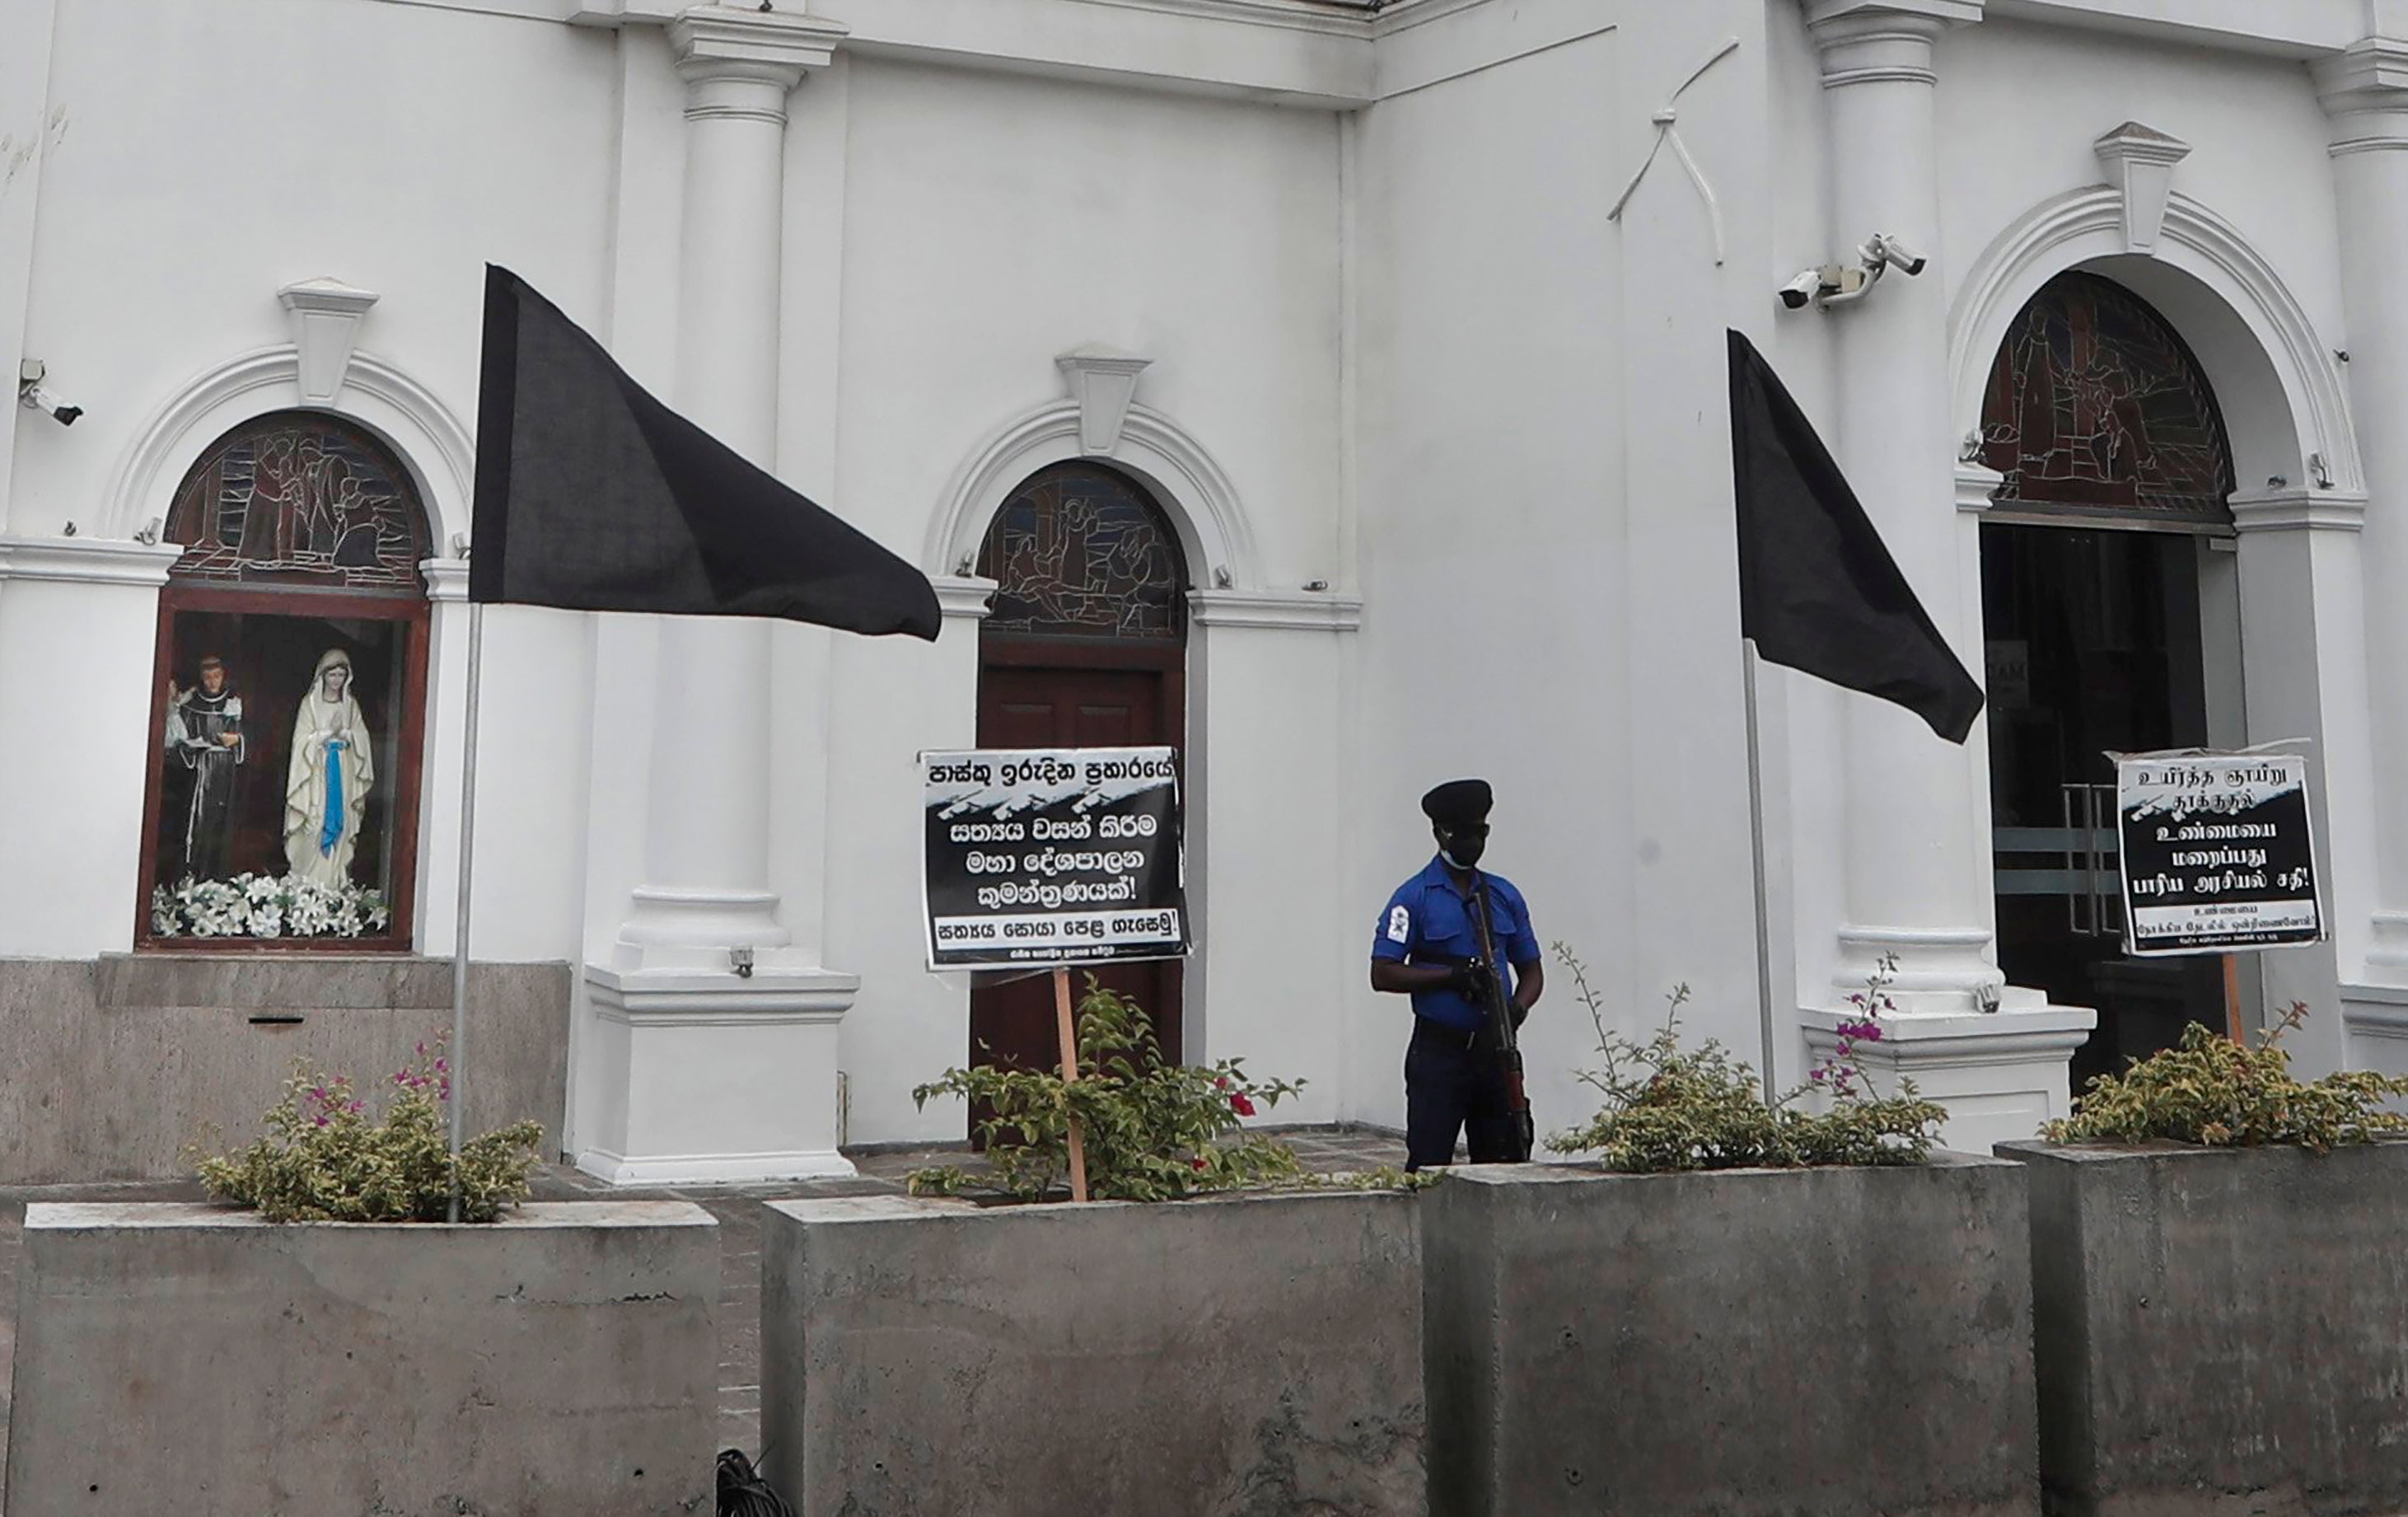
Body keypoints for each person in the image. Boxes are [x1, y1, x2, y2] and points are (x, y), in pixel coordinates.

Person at [1370, 778, 1543, 1172]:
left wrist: (1518, 1006)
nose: (1473, 842)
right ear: (1439, 833)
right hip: (1439, 1053)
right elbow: (1383, 973)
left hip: (1495, 1050)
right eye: (1463, 833)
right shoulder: (1413, 897)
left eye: (1480, 832)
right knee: (1429, 1167)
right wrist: (1452, 977)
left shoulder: (1503, 895)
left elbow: (1531, 969)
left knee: (1506, 1162)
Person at [283, 647, 375, 887]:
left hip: (342, 771)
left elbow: (361, 738)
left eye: (341, 676)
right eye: (332, 675)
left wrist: (346, 734)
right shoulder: (310, 705)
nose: (336, 680)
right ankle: (306, 881)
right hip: (315, 774)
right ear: (322, 676)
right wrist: (325, 734)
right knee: (314, 823)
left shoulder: (350, 706)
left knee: (340, 825)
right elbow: (301, 740)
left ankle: (333, 882)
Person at [164, 654, 245, 880]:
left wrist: (237, 740)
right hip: (200, 771)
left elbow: (243, 735)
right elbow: (180, 740)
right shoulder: (191, 704)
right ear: (201, 678)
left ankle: (218, 874)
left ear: (223, 676)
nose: (212, 682)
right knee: (198, 823)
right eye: (207, 677)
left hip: (225, 771)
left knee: (222, 822)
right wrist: (192, 748)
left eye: (216, 677)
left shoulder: (232, 702)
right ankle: (194, 874)